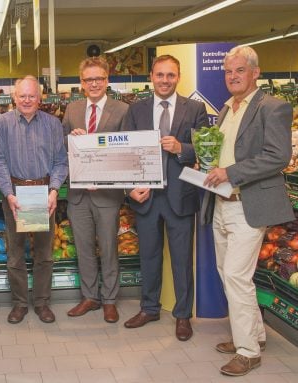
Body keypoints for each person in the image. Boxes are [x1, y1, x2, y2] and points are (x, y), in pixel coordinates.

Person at [202, 46, 293, 376]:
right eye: (228, 72)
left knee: (238, 277)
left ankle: (248, 351)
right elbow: (227, 152)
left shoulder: (274, 107)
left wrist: (231, 172)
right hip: (221, 202)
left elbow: (277, 157)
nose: (232, 77)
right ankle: (254, 333)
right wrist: (210, 166)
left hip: (248, 204)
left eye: (239, 70)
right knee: (229, 273)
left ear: (255, 72)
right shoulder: (227, 110)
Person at [122, 55, 208, 341]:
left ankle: (182, 316)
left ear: (178, 77)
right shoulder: (136, 110)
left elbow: (205, 149)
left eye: (171, 75)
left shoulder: (195, 108)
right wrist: (129, 188)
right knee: (148, 256)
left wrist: (181, 147)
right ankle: (149, 308)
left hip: (180, 196)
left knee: (182, 260)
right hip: (145, 197)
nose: (165, 80)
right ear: (151, 76)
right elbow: (126, 152)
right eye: (160, 75)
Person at [0, 75, 68, 324]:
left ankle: (42, 302)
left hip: (44, 194)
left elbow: (60, 161)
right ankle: (20, 303)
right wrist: (9, 194)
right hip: (15, 194)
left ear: (39, 97)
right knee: (15, 253)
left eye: (31, 96)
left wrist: (54, 190)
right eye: (22, 95)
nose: (26, 100)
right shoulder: (1, 124)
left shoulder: (53, 123)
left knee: (44, 253)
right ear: (14, 97)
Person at [63, 57, 128, 323]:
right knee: (84, 248)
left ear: (107, 80)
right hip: (79, 195)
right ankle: (90, 297)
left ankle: (110, 300)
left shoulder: (122, 110)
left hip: (107, 195)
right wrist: (72, 140)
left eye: (99, 79)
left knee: (109, 248)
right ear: (82, 83)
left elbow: (127, 152)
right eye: (89, 79)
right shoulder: (72, 109)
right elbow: (63, 147)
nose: (94, 84)